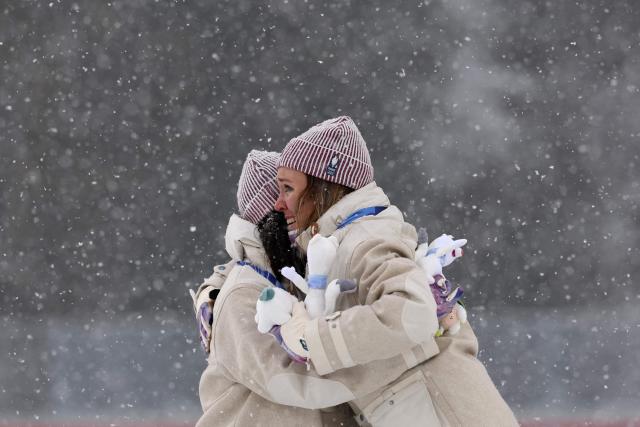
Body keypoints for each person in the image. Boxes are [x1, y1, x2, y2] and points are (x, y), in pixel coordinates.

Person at [261, 116, 518, 426]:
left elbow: (412, 312)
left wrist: (312, 339)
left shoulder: (365, 239)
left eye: (287, 188)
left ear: (323, 186)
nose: (278, 203)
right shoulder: (343, 241)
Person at [191, 149, 357, 426]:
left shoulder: (301, 280)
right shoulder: (243, 294)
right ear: (269, 221)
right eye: (293, 220)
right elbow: (290, 380)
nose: (308, 228)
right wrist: (383, 351)